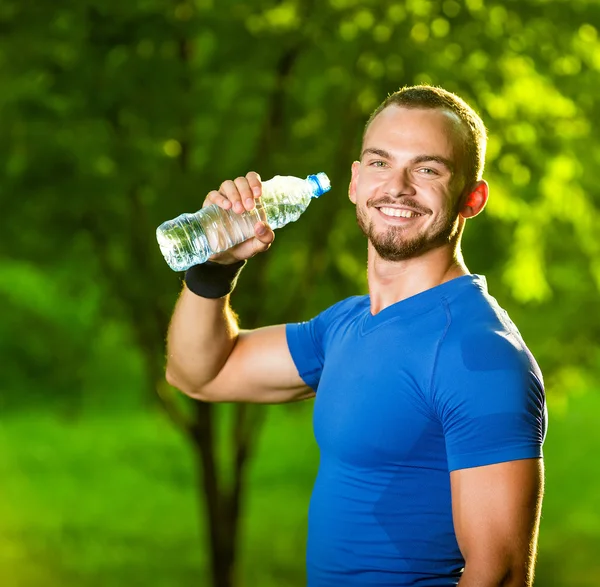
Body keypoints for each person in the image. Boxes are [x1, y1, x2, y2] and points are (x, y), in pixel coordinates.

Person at [165, 85, 547, 587]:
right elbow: (200, 374)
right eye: (380, 163)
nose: (398, 187)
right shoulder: (346, 326)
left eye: (428, 169)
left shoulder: (480, 356)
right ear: (354, 180)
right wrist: (214, 268)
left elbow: (498, 577)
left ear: (471, 199)